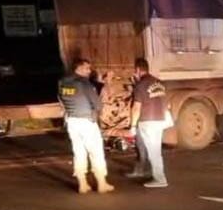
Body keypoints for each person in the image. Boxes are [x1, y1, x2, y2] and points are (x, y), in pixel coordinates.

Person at [57, 59, 115, 194]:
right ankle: (102, 184)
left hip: (72, 121)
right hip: (87, 122)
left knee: (79, 152)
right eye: (87, 68)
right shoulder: (84, 83)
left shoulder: (63, 82)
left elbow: (61, 100)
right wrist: (106, 87)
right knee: (96, 152)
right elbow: (98, 105)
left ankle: (82, 185)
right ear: (79, 69)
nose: (89, 71)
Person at [128, 58, 170, 188]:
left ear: (138, 70)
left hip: (148, 121)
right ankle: (156, 175)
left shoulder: (140, 86)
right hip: (160, 120)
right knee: (155, 150)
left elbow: (136, 108)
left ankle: (160, 179)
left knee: (153, 152)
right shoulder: (159, 83)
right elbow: (167, 103)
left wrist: (133, 126)